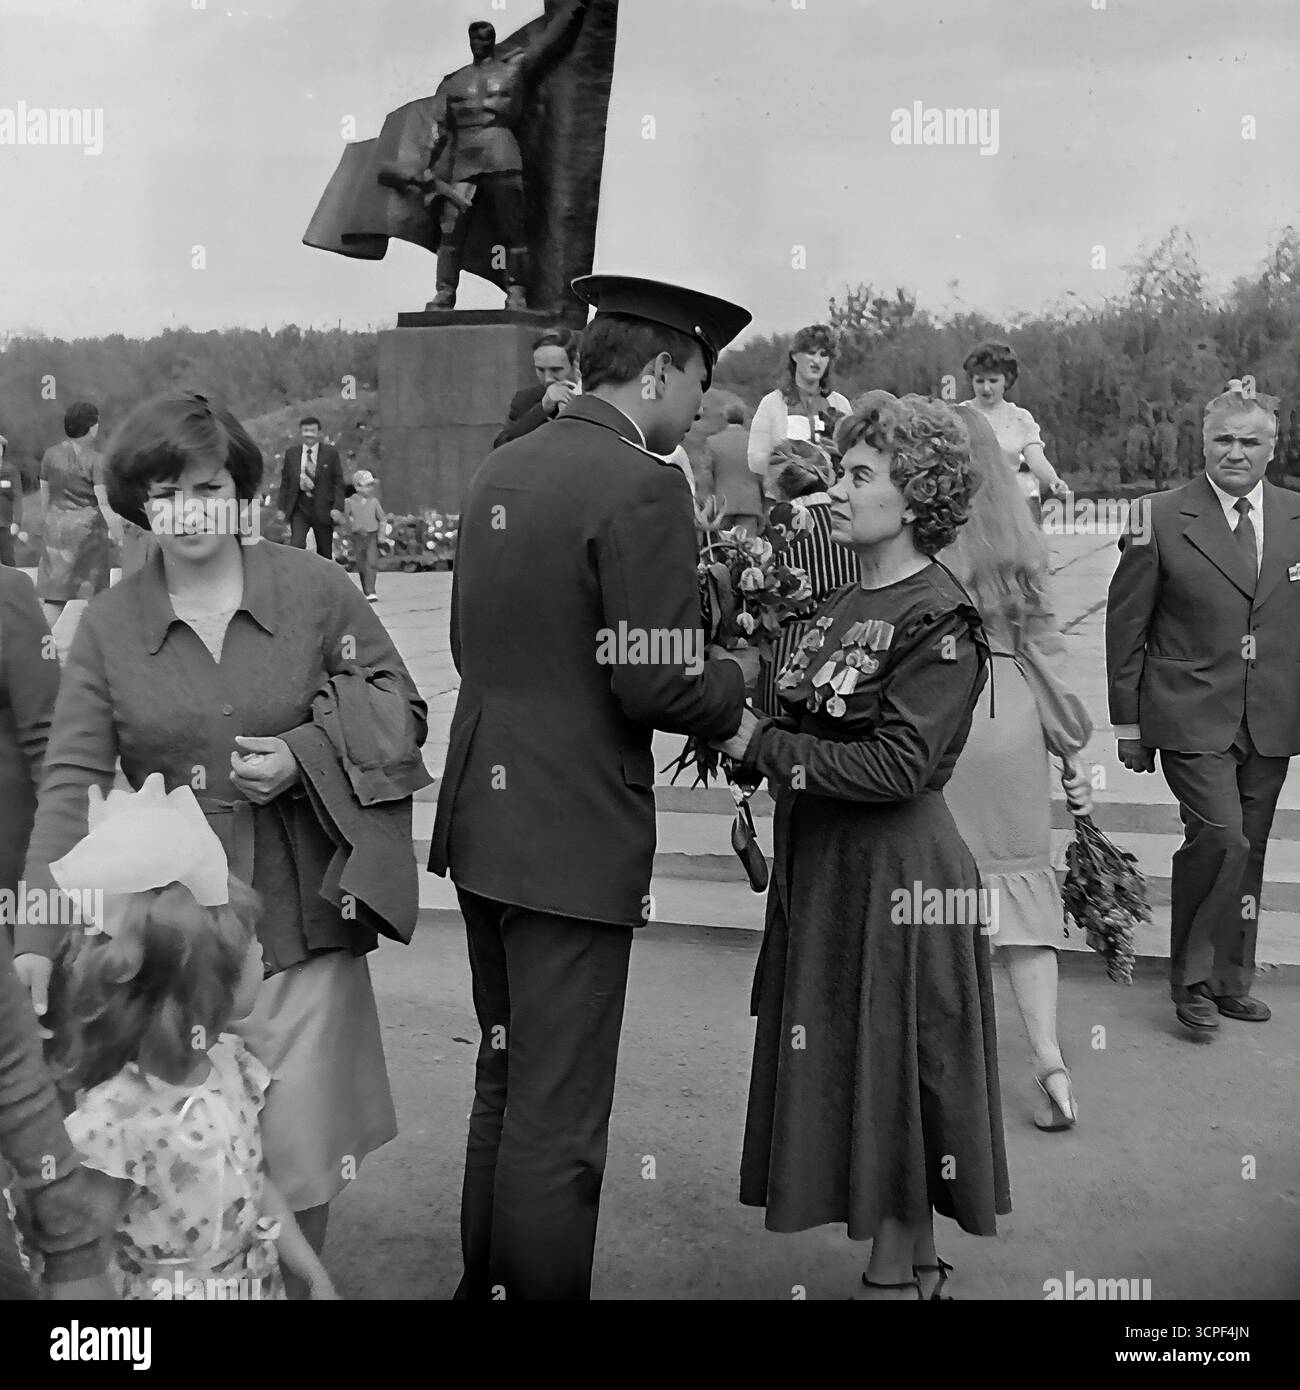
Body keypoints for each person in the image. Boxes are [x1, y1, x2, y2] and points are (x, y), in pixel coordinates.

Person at [14, 393, 430, 1299]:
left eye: (207, 485)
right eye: (165, 491)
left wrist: (303, 753)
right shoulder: (112, 626)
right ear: (140, 504)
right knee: (174, 1174)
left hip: (300, 928)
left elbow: (402, 710)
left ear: (240, 489)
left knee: (298, 1160)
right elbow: (70, 788)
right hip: (165, 952)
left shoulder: (320, 591)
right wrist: (37, 944)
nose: (190, 509)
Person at [429, 273, 754, 1300]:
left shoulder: (503, 466)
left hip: (486, 823)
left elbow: (470, 642)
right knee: (558, 1117)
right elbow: (655, 673)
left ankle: (483, 1286)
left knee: (506, 1077)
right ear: (656, 370)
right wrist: (747, 677)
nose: (700, 406)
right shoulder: (641, 482)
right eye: (697, 379)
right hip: (569, 840)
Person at [714, 391, 1010, 1301]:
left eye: (859, 475)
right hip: (834, 869)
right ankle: (918, 1266)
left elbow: (897, 768)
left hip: (895, 877)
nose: (837, 491)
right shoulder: (847, 596)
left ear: (916, 499)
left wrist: (761, 744)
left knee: (892, 1066)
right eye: (842, 472)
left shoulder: (939, 616)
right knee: (877, 1066)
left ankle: (889, 1280)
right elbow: (817, 720)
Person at [44, 775, 338, 1300]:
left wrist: (309, 1272)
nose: (264, 954)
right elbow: (81, 1262)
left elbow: (254, 1184)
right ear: (202, 985)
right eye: (251, 946)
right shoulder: (119, 1120)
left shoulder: (234, 1068)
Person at [1106, 382, 1300, 1032]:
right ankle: (1189, 982)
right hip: (1189, 712)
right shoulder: (1156, 515)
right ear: (1204, 443)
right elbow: (1126, 626)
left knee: (1250, 849)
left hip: (1271, 716)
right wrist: (1128, 723)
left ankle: (1229, 979)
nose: (1236, 452)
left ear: (1272, 448)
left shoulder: (1296, 517)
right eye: (1224, 439)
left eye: (1251, 441)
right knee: (1220, 836)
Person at [943, 404, 1093, 1131]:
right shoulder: (1017, 533)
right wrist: (1068, 747)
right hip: (1011, 716)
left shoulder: (919, 529)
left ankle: (947, 1078)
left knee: (940, 898)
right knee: (1023, 907)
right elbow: (1047, 647)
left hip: (940, 712)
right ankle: (1051, 1066)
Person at [423, 4, 590, 310]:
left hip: (502, 151)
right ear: (470, 41)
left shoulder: (514, 69)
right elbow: (438, 131)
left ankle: (517, 291)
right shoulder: (453, 82)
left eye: (486, 37)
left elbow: (549, 42)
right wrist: (428, 166)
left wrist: (576, 7)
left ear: (492, 39)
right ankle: (445, 292)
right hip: (465, 161)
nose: (480, 42)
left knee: (513, 228)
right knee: (451, 228)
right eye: (475, 37)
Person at [754, 443, 857, 715]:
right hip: (846, 649)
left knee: (775, 740)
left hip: (787, 651)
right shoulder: (852, 519)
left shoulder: (777, 527)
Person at [36, 402, 120, 630]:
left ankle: (37, 645)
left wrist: (47, 525)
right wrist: (119, 533)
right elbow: (103, 501)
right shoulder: (96, 460)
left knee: (55, 597)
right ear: (91, 427)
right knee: (95, 593)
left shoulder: (49, 455)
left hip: (55, 531)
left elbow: (45, 494)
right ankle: (102, 648)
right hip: (88, 534)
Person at [962, 341, 1067, 522]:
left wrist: (1054, 481)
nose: (986, 388)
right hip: (973, 508)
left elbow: (1036, 460)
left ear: (1007, 380)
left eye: (993, 380)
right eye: (979, 380)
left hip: (1015, 506)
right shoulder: (960, 415)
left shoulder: (1021, 418)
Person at [747, 324, 853, 503]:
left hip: (832, 503)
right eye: (811, 353)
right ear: (795, 356)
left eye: (823, 354)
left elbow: (854, 455)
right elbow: (755, 459)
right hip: (786, 505)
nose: (817, 361)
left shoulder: (840, 403)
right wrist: (792, 466)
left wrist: (837, 456)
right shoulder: (772, 403)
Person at [495, 327, 582, 447]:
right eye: (540, 370)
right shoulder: (525, 400)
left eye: (556, 370)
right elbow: (502, 445)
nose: (548, 379)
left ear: (575, 362)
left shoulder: (594, 394)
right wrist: (542, 409)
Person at [277, 417, 344, 556]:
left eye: (312, 430)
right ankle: (300, 576)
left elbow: (338, 482)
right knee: (297, 545)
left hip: (323, 508)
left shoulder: (330, 454)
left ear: (319, 432)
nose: (309, 434)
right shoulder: (292, 454)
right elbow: (285, 482)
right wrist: (281, 507)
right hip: (300, 507)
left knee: (324, 552)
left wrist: (337, 507)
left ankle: (324, 577)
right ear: (301, 432)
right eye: (306, 430)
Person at [705, 404, 763, 536]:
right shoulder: (755, 441)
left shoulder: (713, 441)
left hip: (723, 505)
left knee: (724, 549)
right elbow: (762, 475)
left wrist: (708, 502)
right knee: (748, 550)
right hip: (750, 503)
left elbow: (707, 476)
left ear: (726, 418)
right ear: (743, 419)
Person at [344, 469, 386, 603]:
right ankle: (366, 590)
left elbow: (382, 519)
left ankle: (371, 591)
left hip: (372, 535)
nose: (367, 489)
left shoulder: (374, 502)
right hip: (358, 536)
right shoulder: (349, 502)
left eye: (370, 486)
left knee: (371, 562)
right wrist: (352, 528)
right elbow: (345, 518)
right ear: (356, 486)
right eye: (363, 485)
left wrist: (381, 535)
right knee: (362, 564)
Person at [0, 435, 23, 568]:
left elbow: (17, 497)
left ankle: (12, 587)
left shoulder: (11, 470)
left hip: (5, 524)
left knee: (8, 559)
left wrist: (17, 522)